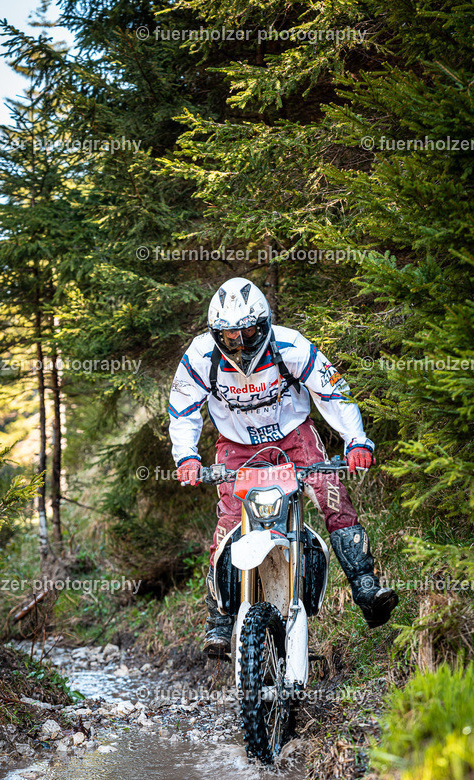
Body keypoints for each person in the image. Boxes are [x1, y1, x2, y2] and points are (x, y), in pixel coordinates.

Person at [168, 276, 398, 658]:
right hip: (236, 447)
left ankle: (365, 587)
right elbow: (182, 409)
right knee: (228, 523)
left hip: (294, 436)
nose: (240, 345)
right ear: (216, 334)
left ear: (265, 324)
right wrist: (186, 457)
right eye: (230, 336)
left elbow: (332, 391)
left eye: (248, 332)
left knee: (330, 493)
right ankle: (219, 621)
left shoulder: (291, 346)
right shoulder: (200, 357)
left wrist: (356, 440)